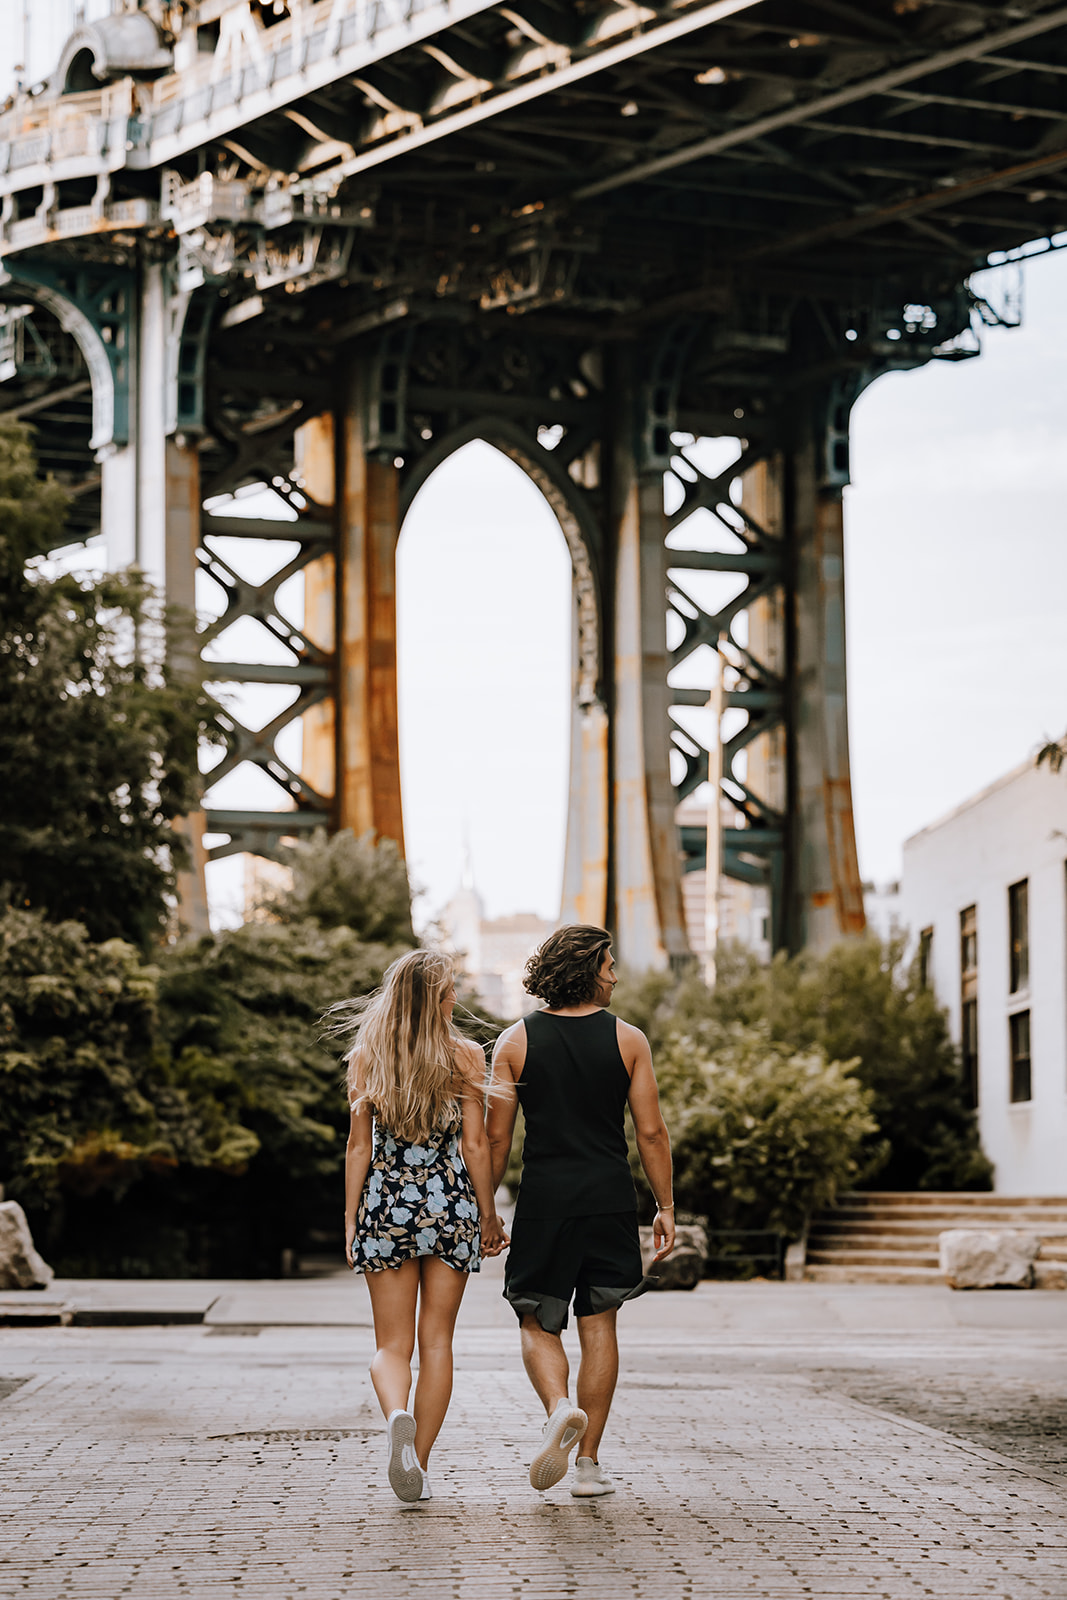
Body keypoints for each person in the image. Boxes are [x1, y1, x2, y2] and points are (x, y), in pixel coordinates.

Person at [486, 925, 675, 1498]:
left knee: (535, 1319)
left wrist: (487, 1211)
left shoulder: (514, 1040)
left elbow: (497, 1141)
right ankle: (588, 1465)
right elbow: (651, 1132)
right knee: (599, 1326)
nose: (616, 974)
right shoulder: (630, 1040)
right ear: (589, 969)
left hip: (545, 1200)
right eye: (609, 963)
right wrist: (665, 1205)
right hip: (609, 1198)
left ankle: (558, 1407)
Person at [337, 949, 509, 1504]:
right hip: (450, 1207)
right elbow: (475, 1143)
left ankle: (397, 1417)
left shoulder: (367, 1058)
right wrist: (487, 1213)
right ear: (434, 999)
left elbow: (358, 1147)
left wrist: (350, 1220)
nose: (456, 996)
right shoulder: (464, 1056)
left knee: (391, 1345)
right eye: (450, 988)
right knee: (437, 1342)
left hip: (385, 1205)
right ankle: (420, 1462)